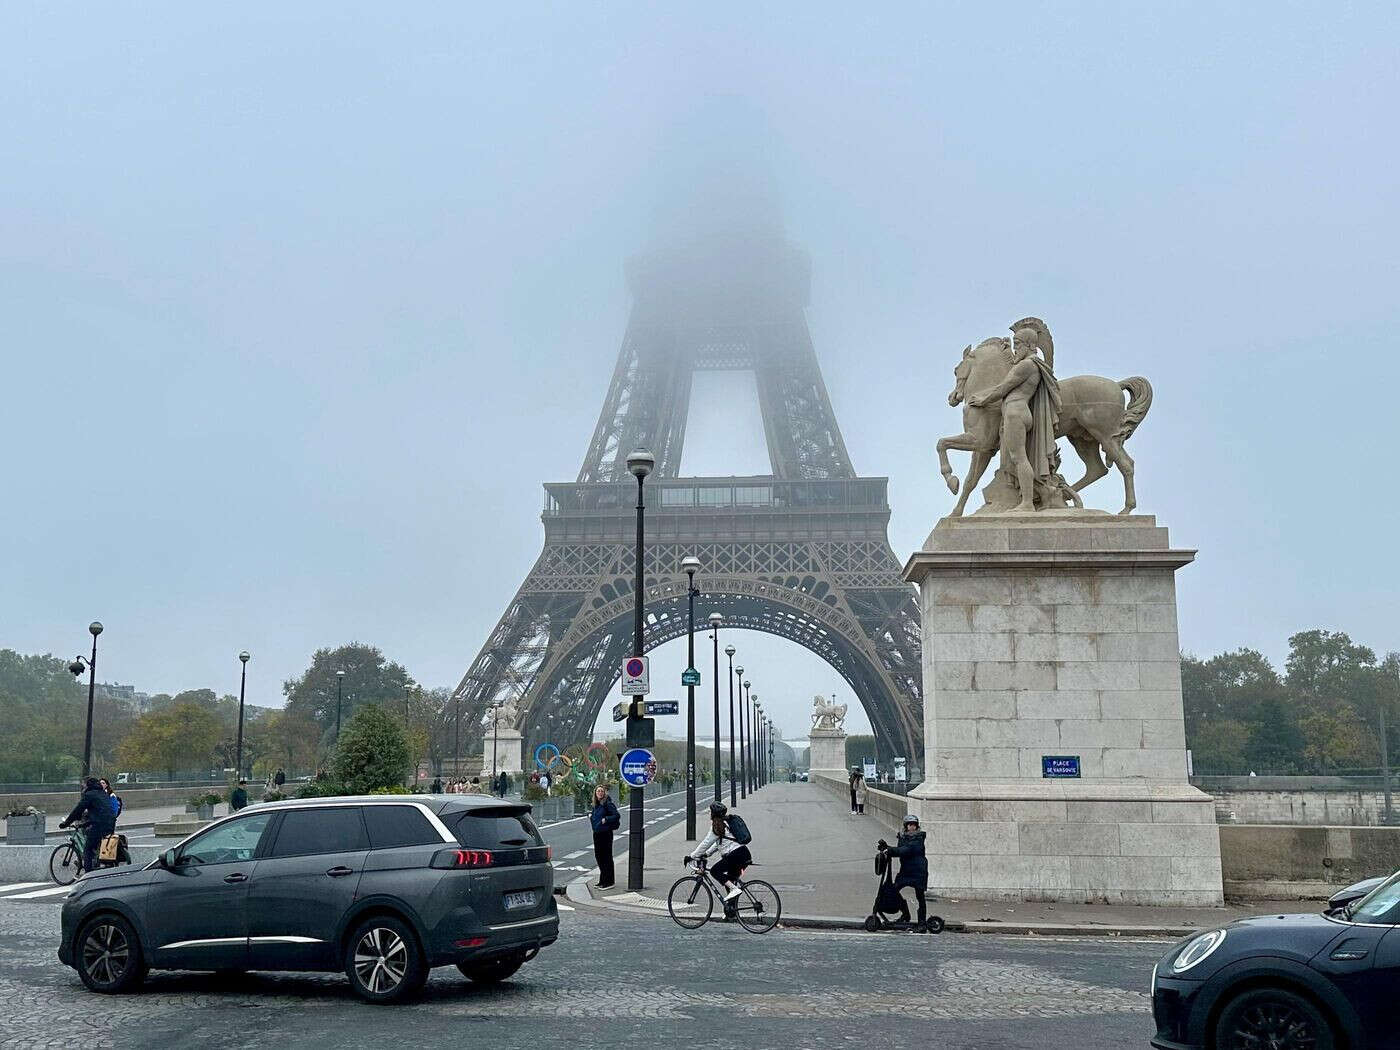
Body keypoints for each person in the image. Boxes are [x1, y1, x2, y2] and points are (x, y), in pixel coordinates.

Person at [687, 801, 751, 902]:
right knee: (728, 882)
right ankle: (731, 912)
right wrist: (707, 854)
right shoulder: (726, 823)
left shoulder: (717, 826)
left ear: (713, 814)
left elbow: (706, 843)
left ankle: (735, 889)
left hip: (735, 855)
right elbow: (720, 843)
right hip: (743, 853)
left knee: (715, 871)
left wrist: (692, 856)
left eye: (711, 812)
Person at [59, 777, 116, 876]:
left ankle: (88, 875)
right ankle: (100, 864)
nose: (83, 787)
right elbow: (98, 813)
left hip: (99, 825)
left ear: (88, 785)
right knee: (98, 843)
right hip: (111, 824)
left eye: (83, 785)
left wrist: (66, 823)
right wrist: (85, 823)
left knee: (88, 849)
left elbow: (78, 810)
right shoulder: (103, 793)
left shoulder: (89, 795)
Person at [879, 814, 929, 926]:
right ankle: (905, 914)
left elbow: (906, 850)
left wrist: (890, 850)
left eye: (914, 825)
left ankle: (922, 921)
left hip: (918, 871)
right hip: (906, 870)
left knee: (920, 896)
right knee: (894, 890)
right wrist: (887, 848)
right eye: (910, 825)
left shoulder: (918, 839)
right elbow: (900, 850)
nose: (912, 827)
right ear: (906, 826)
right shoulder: (902, 837)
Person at [590, 784, 621, 889]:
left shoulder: (607, 803)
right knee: (599, 857)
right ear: (595, 793)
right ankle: (603, 880)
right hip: (597, 833)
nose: (600, 793)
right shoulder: (596, 805)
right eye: (598, 791)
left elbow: (616, 815)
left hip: (605, 833)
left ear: (604, 793)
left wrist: (606, 819)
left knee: (606, 857)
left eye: (601, 791)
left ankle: (609, 881)